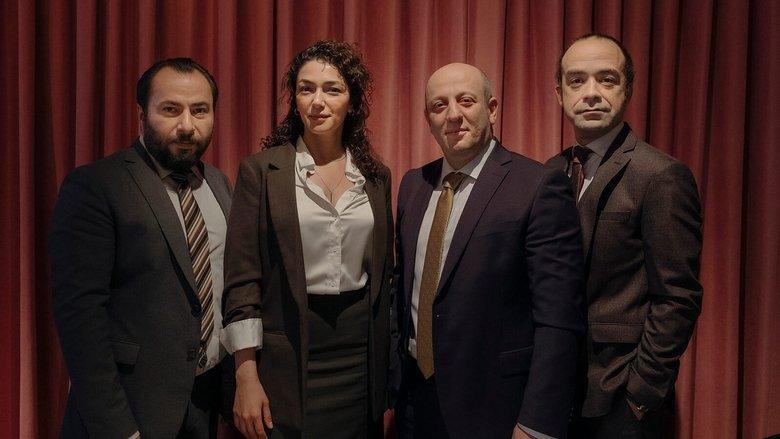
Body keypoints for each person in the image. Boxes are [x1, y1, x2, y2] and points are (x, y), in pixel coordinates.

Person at [391, 62, 585, 439]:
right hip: (415, 400)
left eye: (466, 101)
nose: (453, 115)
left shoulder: (538, 185)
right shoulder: (413, 185)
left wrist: (536, 423)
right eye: (439, 105)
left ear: (492, 109)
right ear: (428, 119)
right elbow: (404, 288)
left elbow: (559, 317)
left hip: (495, 407)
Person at [50, 58, 232, 438]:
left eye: (200, 110)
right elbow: (81, 320)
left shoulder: (219, 185)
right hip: (130, 413)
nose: (187, 125)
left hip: (204, 407)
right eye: (171, 109)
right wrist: (119, 430)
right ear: (141, 115)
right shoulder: (95, 187)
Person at [221, 40, 393, 439]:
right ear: (294, 100)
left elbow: (385, 275)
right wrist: (246, 375)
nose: (318, 101)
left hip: (360, 358)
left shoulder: (376, 178)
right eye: (306, 89)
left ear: (352, 102)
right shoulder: (261, 172)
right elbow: (242, 280)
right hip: (286, 357)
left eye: (332, 89)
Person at [547, 34, 703, 438]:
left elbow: (678, 297)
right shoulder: (550, 171)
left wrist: (641, 395)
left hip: (621, 401)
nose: (591, 92)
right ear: (560, 93)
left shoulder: (661, 175)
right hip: (555, 394)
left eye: (607, 79)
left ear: (627, 88)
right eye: (577, 80)